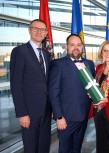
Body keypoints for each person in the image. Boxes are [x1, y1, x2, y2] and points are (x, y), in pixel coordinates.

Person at [48, 34, 95, 153]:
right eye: (72, 45)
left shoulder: (89, 63)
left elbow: (92, 86)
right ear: (67, 47)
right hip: (66, 118)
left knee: (77, 148)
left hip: (84, 116)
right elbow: (53, 92)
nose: (76, 47)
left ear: (82, 47)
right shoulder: (58, 64)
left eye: (79, 45)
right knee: (65, 149)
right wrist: (59, 117)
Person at [10, 19, 51, 153]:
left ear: (46, 33)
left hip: (45, 111)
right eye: (35, 28)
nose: (39, 32)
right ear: (29, 30)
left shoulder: (46, 54)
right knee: (31, 147)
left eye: (42, 29)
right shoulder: (19, 51)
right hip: (29, 112)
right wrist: (22, 113)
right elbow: (16, 85)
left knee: (44, 145)